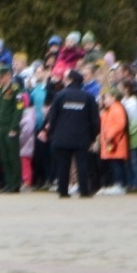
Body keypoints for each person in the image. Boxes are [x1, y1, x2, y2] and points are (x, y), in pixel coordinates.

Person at [39, 70, 99, 199]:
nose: (64, 81)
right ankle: (84, 190)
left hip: (62, 136)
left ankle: (63, 190)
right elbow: (95, 120)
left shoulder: (60, 96)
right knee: (82, 164)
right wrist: (93, 136)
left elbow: (52, 117)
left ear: (71, 80)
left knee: (62, 164)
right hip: (82, 136)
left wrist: (50, 133)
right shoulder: (88, 97)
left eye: (66, 78)